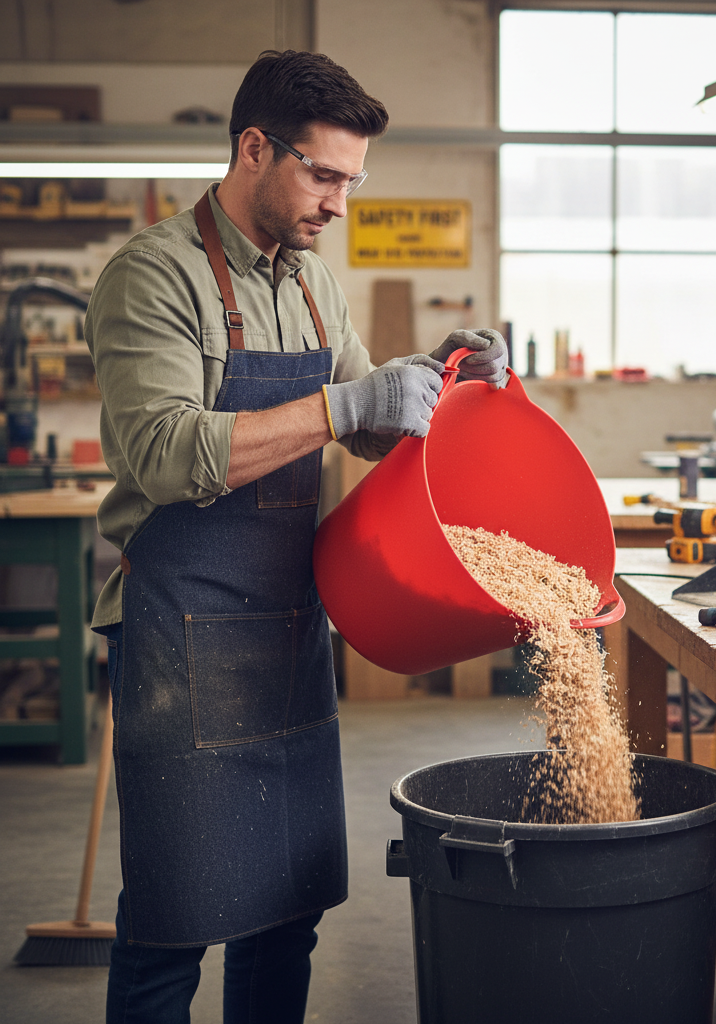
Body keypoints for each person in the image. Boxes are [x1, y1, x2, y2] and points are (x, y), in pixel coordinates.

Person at [85, 49, 507, 1024]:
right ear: (253, 149)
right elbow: (161, 452)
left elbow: (362, 419)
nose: (340, 204)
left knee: (286, 910)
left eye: (352, 182)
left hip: (284, 626)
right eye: (323, 175)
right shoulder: (153, 276)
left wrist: (442, 373)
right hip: (179, 632)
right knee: (173, 919)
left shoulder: (312, 281)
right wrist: (349, 397)